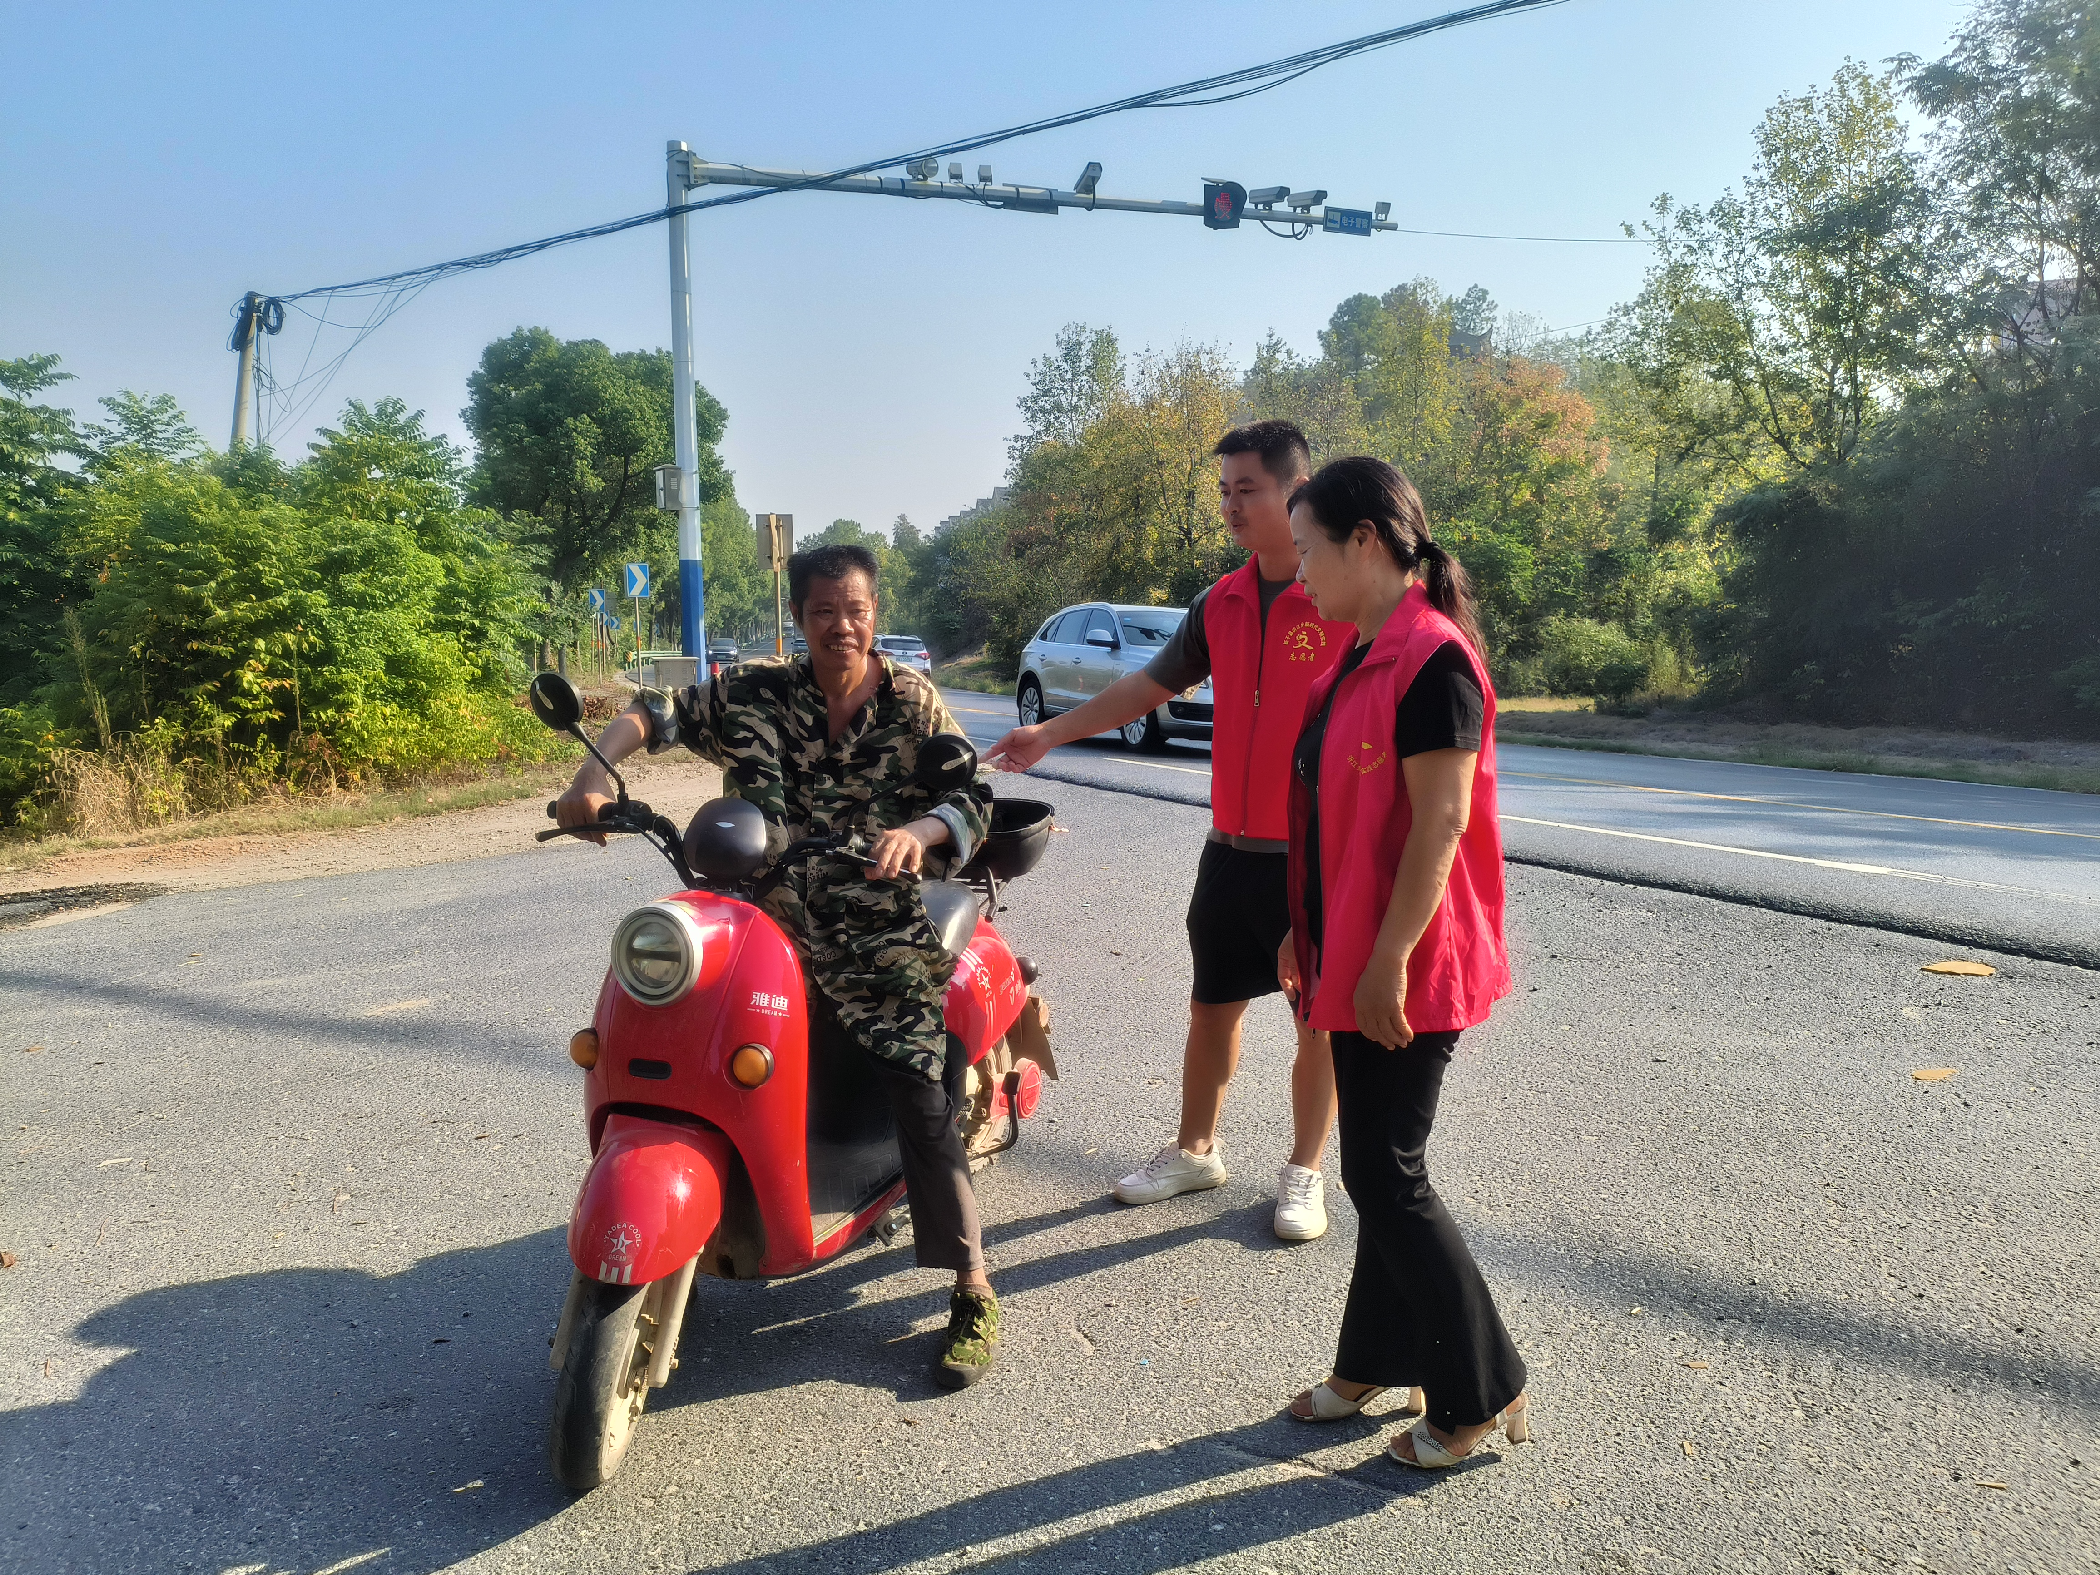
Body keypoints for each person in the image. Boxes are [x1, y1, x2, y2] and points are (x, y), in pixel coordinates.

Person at [554, 543, 1004, 1390]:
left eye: (856, 610)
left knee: (916, 1077)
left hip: (873, 924)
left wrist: (921, 833)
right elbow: (654, 711)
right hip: (760, 916)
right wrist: (593, 774)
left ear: (875, 613)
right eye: (824, 611)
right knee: (682, 1037)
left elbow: (969, 796)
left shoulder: (912, 701)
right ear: (798, 618)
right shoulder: (755, 691)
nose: (842, 626)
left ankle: (971, 1281)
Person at [985, 420, 1352, 1241]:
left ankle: (1304, 1174)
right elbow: (1148, 685)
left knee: (1317, 1021)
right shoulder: (1221, 602)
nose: (1231, 505)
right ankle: (1196, 1151)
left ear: (1296, 490)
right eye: (1224, 490)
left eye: (1247, 489)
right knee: (1211, 1008)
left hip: (1312, 857)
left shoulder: (1336, 597)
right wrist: (1051, 732)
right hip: (1230, 849)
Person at [1274, 456, 1529, 1469]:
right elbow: (1337, 818)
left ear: (1366, 541)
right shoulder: (1363, 656)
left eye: (1308, 550)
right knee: (1378, 1168)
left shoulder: (1434, 663)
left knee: (1386, 1173)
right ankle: (1370, 1362)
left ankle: (1480, 1389)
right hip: (1356, 948)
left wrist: (1385, 961)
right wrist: (1305, 926)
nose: (1300, 572)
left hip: (1411, 963)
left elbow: (1441, 824)